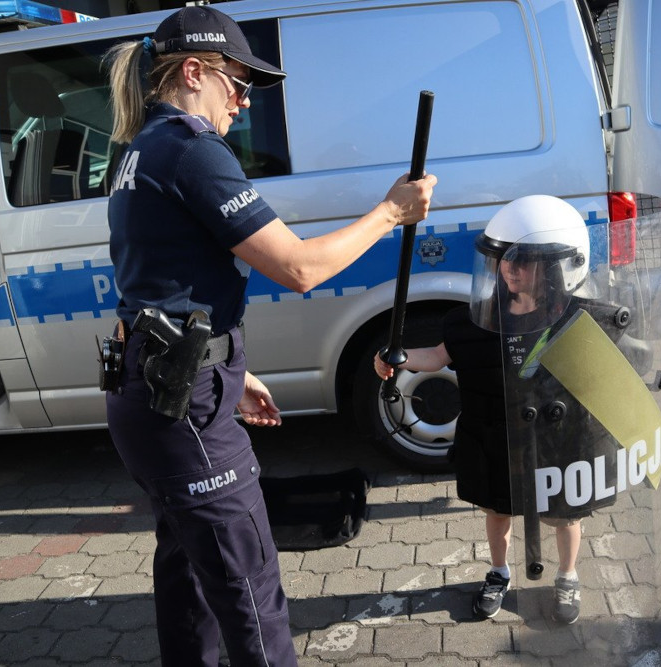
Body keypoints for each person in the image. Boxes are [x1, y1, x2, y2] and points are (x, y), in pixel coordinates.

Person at [101, 6, 436, 667]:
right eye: (237, 81)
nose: (245, 99)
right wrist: (391, 212)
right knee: (247, 583)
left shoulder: (138, 150)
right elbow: (299, 267)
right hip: (182, 402)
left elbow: (146, 293)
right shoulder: (193, 150)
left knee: (190, 574)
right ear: (194, 72)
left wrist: (229, 366)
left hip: (156, 390)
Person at [374, 196, 616, 625]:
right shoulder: (479, 318)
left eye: (523, 261)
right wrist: (398, 356)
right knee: (497, 509)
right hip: (496, 436)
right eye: (503, 259)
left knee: (563, 512)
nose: (510, 268)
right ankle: (498, 572)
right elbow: (438, 355)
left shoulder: (580, 321)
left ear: (558, 266)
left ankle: (568, 575)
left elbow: (611, 378)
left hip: (556, 440)